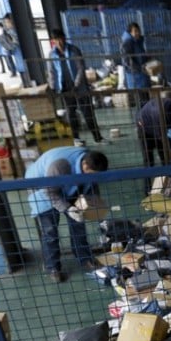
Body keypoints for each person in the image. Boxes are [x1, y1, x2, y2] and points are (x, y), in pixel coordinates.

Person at [25, 146, 108, 282]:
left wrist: (94, 208)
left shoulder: (91, 162)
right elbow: (50, 192)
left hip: (68, 185)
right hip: (42, 189)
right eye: (91, 173)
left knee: (79, 222)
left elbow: (92, 186)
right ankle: (53, 267)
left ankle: (84, 257)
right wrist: (67, 208)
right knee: (50, 230)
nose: (93, 177)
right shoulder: (60, 165)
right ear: (84, 165)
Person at [47, 28, 103, 143]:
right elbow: (51, 72)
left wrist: (76, 85)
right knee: (71, 114)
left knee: (88, 113)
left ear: (64, 38)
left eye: (61, 39)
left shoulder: (74, 50)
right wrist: (52, 87)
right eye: (56, 40)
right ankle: (76, 138)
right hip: (65, 88)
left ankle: (98, 138)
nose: (59, 42)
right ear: (53, 41)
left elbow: (80, 68)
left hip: (80, 87)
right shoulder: (52, 54)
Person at [120, 23, 150, 108]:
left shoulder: (137, 41)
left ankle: (145, 119)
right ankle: (141, 120)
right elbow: (128, 61)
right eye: (135, 31)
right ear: (130, 32)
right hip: (135, 78)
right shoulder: (128, 43)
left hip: (142, 76)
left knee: (145, 101)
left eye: (138, 31)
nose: (138, 33)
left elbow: (139, 56)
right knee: (142, 103)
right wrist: (141, 68)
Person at [0, 14, 30, 86]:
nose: (6, 24)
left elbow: (15, 46)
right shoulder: (9, 33)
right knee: (26, 84)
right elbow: (12, 51)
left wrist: (9, 46)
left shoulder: (15, 33)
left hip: (25, 64)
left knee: (28, 84)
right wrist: (6, 47)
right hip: (20, 64)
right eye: (5, 22)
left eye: (8, 22)